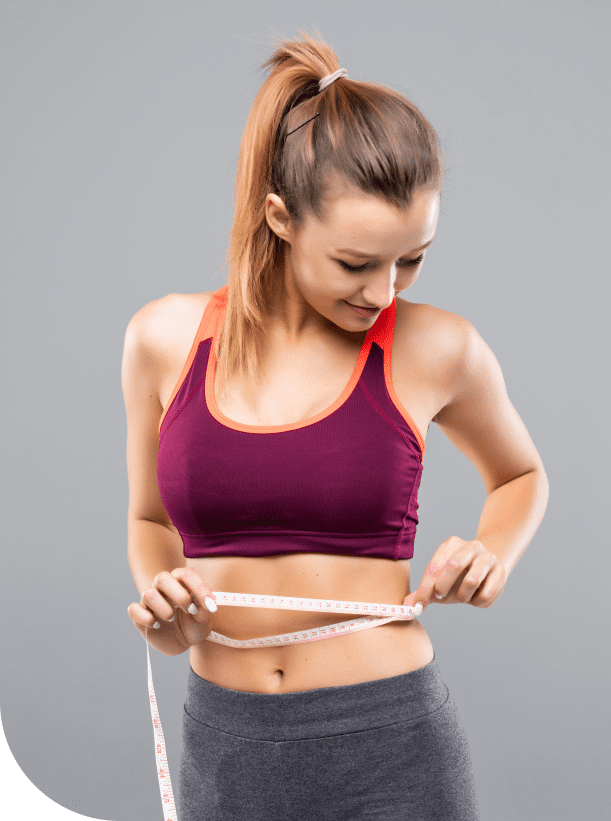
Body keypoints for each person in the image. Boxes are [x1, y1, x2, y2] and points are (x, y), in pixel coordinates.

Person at [122, 29, 549, 821]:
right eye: (356, 264)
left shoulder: (437, 347)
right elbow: (149, 519)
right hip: (226, 743)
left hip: (389, 739)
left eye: (411, 260)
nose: (385, 292)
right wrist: (162, 598)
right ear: (280, 219)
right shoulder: (162, 340)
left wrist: (494, 550)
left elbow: (521, 475)